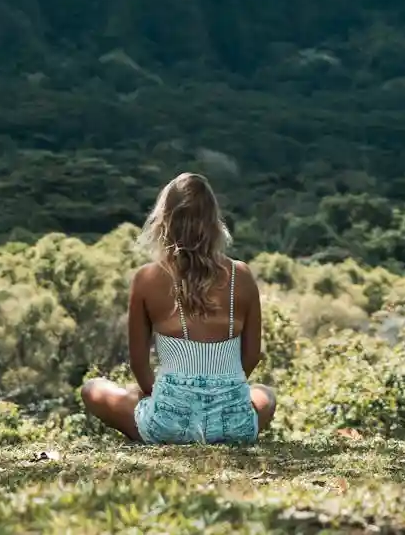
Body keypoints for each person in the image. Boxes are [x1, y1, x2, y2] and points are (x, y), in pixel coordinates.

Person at [81, 171, 276, 443]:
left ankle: (159, 430)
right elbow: (252, 356)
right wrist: (219, 394)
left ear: (165, 220)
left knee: (93, 388)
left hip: (168, 425)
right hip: (234, 424)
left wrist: (168, 398)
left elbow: (139, 364)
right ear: (213, 222)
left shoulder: (147, 278)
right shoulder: (241, 276)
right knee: (265, 394)